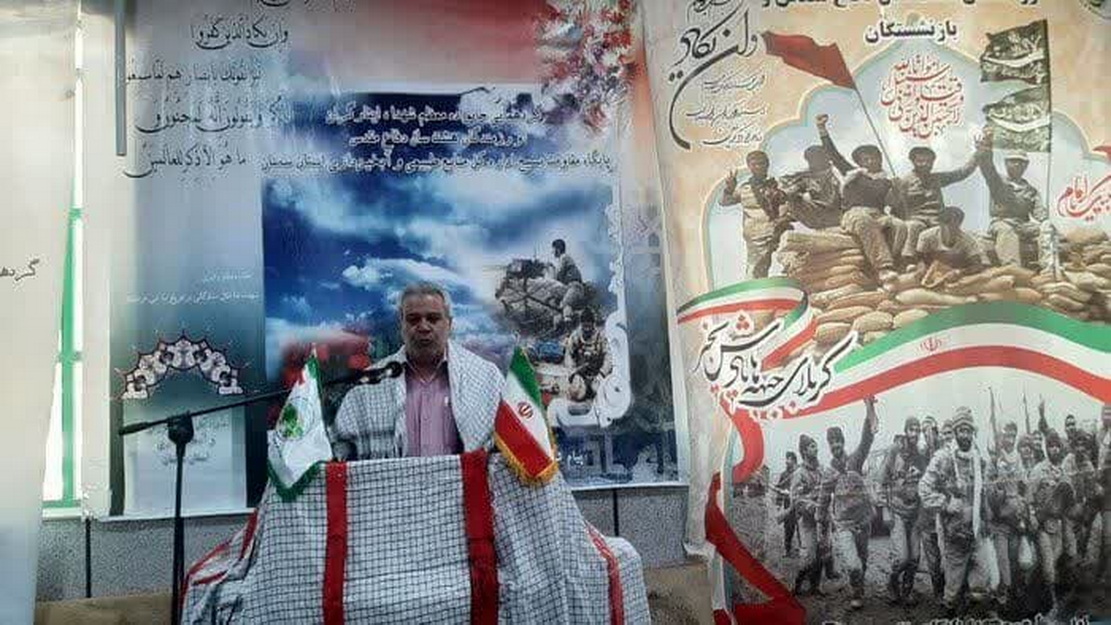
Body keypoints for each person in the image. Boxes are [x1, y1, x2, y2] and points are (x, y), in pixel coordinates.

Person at [332, 282, 503, 459]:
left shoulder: (487, 378)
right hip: (391, 478)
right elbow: (338, 457)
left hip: (467, 478)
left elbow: (507, 447)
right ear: (401, 325)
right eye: (413, 319)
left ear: (449, 324)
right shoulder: (366, 387)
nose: (423, 327)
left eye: (433, 318)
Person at [918, 407, 999, 615]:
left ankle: (972, 614)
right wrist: (945, 503)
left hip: (976, 531)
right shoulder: (943, 457)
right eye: (961, 430)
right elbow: (924, 488)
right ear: (955, 432)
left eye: (968, 430)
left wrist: (986, 520)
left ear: (973, 432)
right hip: (954, 534)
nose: (965, 435)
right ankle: (950, 614)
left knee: (981, 584)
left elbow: (983, 492)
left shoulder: (978, 459)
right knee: (953, 590)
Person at [816, 114, 905, 281]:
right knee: (865, 221)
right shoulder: (854, 174)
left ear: (880, 159)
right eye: (866, 159)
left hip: (879, 214)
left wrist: (898, 190)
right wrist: (822, 129)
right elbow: (833, 155)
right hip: (855, 214)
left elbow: (893, 204)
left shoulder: (886, 181)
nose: (871, 161)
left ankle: (894, 261)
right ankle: (883, 268)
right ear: (860, 163)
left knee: (900, 226)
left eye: (875, 157)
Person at [819, 397, 878, 610]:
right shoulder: (828, 473)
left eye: (838, 441)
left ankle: (858, 590)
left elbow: (867, 439)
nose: (836, 445)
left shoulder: (855, 460)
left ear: (843, 442)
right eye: (832, 442)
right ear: (829, 446)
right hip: (843, 525)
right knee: (854, 566)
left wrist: (869, 407)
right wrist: (821, 528)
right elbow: (823, 500)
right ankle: (856, 591)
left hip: (863, 521)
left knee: (862, 560)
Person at [888, 144, 980, 265]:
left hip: (938, 219)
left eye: (929, 161)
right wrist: (895, 191)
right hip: (917, 219)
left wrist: (978, 154)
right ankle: (908, 260)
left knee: (953, 231)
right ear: (913, 162)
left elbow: (961, 173)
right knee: (914, 226)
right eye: (920, 161)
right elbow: (893, 205)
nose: (925, 164)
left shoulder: (937, 178)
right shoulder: (904, 182)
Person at [978, 134, 1048, 267]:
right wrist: (985, 152)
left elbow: (1039, 213)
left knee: (1047, 230)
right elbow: (988, 169)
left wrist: (1045, 222)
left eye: (1021, 162)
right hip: (1002, 222)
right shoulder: (998, 181)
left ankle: (1047, 266)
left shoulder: (1031, 190)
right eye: (1013, 161)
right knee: (1006, 231)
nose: (1017, 164)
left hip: (1023, 225)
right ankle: (1013, 268)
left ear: (1026, 165)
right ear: (1006, 163)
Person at [1027, 429, 1078, 613]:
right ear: (1046, 448)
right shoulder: (1038, 470)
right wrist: (1032, 517)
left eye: (1057, 446)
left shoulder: (1064, 471)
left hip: (1058, 524)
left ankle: (1035, 595)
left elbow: (1071, 498)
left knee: (1054, 563)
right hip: (1042, 524)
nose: (1054, 449)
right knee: (1048, 567)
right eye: (1051, 446)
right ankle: (1052, 607)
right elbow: (1029, 498)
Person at [720, 150, 789, 279]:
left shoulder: (779, 185)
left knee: (793, 260)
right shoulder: (744, 188)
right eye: (754, 164)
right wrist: (729, 188)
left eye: (761, 163)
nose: (758, 167)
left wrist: (782, 218)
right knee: (755, 273)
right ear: (749, 166)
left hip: (779, 232)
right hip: (756, 236)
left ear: (767, 164)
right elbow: (724, 202)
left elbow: (789, 204)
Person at [883, 416, 928, 605]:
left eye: (917, 430)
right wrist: (885, 510)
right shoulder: (895, 451)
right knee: (902, 558)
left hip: (915, 512)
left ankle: (908, 590)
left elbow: (926, 483)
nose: (914, 434)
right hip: (897, 511)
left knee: (915, 557)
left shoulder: (921, 455)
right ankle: (892, 582)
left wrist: (923, 513)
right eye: (912, 429)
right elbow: (882, 480)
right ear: (905, 430)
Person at [987, 421, 1028, 608]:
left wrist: (1022, 505)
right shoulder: (993, 460)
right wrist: (998, 487)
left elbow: (1024, 486)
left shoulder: (1018, 458)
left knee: (1014, 559)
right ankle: (1001, 600)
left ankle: (1013, 598)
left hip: (1015, 519)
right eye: (1006, 435)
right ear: (1000, 437)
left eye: (1013, 436)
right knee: (1002, 561)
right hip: (999, 520)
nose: (1010, 440)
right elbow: (988, 490)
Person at [790, 434, 826, 596]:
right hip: (807, 521)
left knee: (822, 553)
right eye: (812, 446)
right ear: (804, 451)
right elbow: (796, 499)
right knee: (808, 557)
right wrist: (811, 506)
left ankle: (815, 586)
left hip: (822, 519)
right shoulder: (799, 473)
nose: (816, 448)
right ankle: (797, 584)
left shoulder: (821, 470)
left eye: (816, 445)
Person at [779, 145, 843, 231]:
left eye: (817, 157)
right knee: (791, 196)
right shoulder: (806, 175)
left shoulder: (837, 173)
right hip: (815, 215)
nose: (813, 162)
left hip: (837, 213)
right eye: (810, 159)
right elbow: (788, 186)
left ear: (826, 157)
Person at [915, 206, 988, 274]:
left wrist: (959, 272)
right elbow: (920, 258)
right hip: (931, 272)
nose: (952, 228)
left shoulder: (968, 240)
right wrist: (922, 267)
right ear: (940, 223)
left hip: (956, 273)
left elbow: (978, 265)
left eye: (956, 224)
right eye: (948, 223)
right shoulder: (926, 236)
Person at [562, 308, 612, 400]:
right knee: (576, 394)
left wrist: (602, 374)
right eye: (585, 326)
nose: (587, 329)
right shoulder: (575, 336)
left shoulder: (601, 337)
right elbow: (568, 355)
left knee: (599, 393)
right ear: (581, 324)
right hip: (581, 375)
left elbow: (609, 357)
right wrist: (573, 372)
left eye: (589, 326)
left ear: (593, 324)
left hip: (597, 375)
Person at [548, 238, 585, 327]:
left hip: (575, 287)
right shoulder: (564, 258)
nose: (552, 252)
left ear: (558, 249)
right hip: (570, 287)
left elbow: (558, 276)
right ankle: (557, 322)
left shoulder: (564, 257)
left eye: (553, 249)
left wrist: (551, 269)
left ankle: (568, 323)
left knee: (565, 304)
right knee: (552, 297)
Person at [775, 451, 800, 557]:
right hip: (788, 505)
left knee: (801, 529)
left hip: (799, 505)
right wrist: (778, 504)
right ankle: (787, 550)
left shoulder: (800, 473)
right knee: (788, 528)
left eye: (789, 459)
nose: (786, 461)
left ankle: (802, 550)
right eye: (786, 459)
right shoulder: (784, 475)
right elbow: (779, 489)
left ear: (794, 460)